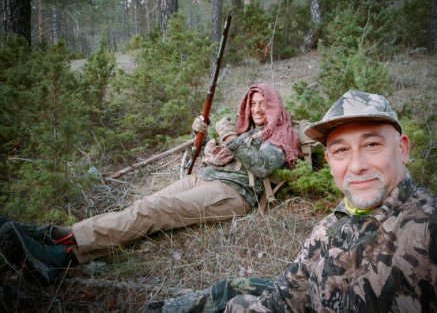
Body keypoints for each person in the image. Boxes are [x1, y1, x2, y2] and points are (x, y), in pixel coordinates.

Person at [0, 83, 300, 286]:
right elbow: (222, 150)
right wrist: (205, 133)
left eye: (264, 104)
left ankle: (58, 246)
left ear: (275, 106)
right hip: (206, 177)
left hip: (234, 193)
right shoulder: (243, 127)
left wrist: (229, 138)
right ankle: (50, 241)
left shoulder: (281, 135)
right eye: (254, 103)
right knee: (142, 206)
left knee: (156, 210)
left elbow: (260, 166)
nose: (258, 109)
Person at [221, 90, 437, 312]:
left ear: (403, 149)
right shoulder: (325, 231)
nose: (356, 166)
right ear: (329, 160)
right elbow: (280, 301)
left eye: (372, 145)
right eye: (341, 150)